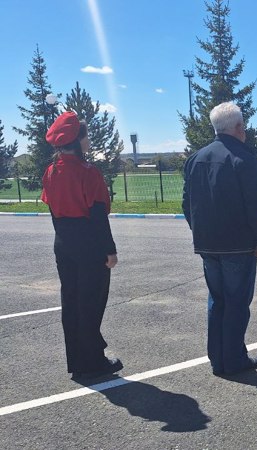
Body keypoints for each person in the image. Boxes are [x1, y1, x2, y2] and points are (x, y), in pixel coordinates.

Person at [182, 102, 257, 376]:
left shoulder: (195, 159)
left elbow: (187, 204)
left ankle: (218, 358)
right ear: (239, 128)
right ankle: (234, 360)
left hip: (207, 244)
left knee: (217, 300)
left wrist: (199, 231)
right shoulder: (244, 159)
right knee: (236, 303)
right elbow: (256, 205)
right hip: (237, 245)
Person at [41, 111, 123, 380]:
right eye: (86, 136)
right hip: (89, 242)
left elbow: (53, 211)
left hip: (63, 241)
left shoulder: (51, 171)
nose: (89, 141)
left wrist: (64, 240)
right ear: (77, 140)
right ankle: (93, 361)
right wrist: (109, 250)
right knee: (91, 302)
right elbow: (98, 215)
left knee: (72, 301)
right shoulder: (88, 172)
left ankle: (77, 359)